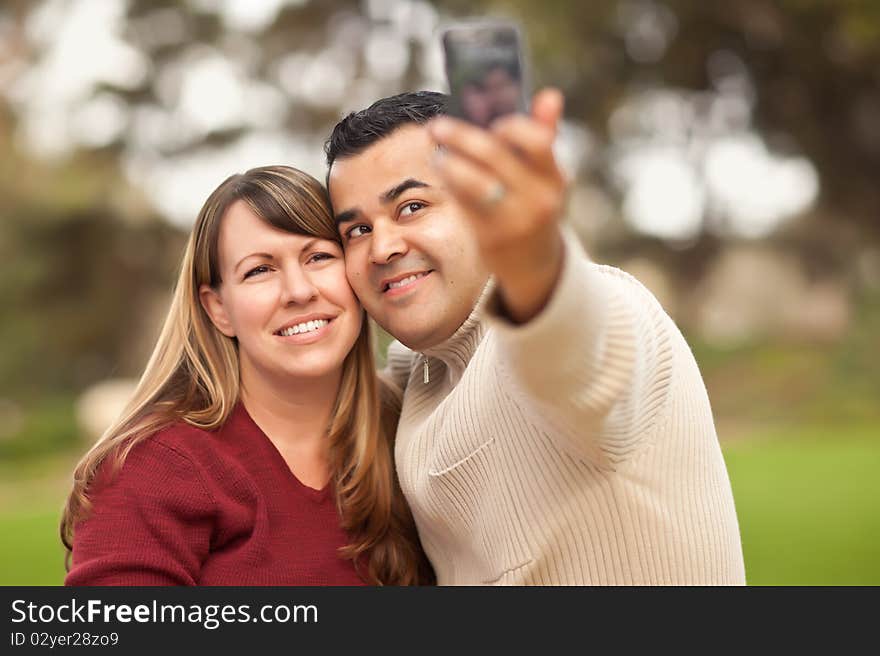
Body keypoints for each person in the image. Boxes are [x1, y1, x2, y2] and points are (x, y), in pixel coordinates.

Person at [324, 90, 746, 585]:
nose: (383, 248)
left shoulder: (602, 307)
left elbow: (582, 353)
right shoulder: (423, 370)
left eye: (412, 206)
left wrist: (538, 265)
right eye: (355, 231)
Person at [61, 166, 433, 586]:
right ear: (218, 308)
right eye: (259, 270)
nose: (298, 290)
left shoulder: (406, 430)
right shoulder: (156, 466)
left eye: (318, 257)